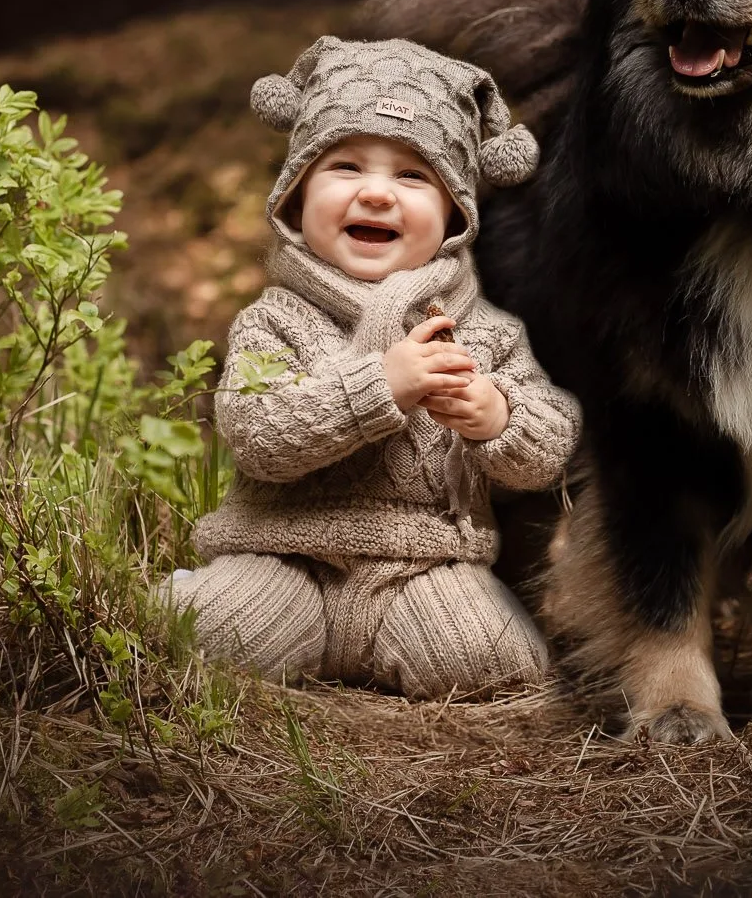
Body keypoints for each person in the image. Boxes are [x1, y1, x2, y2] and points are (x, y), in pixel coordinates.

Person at [165, 36, 580, 698]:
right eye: (346, 167)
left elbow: (549, 445)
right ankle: (189, 596)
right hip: (285, 557)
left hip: (419, 570)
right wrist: (378, 385)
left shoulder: (485, 333)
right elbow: (256, 435)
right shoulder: (275, 321)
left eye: (414, 175)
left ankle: (412, 642)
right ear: (296, 197)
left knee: (499, 662)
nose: (378, 194)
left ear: (455, 213)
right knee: (205, 637)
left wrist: (495, 416)